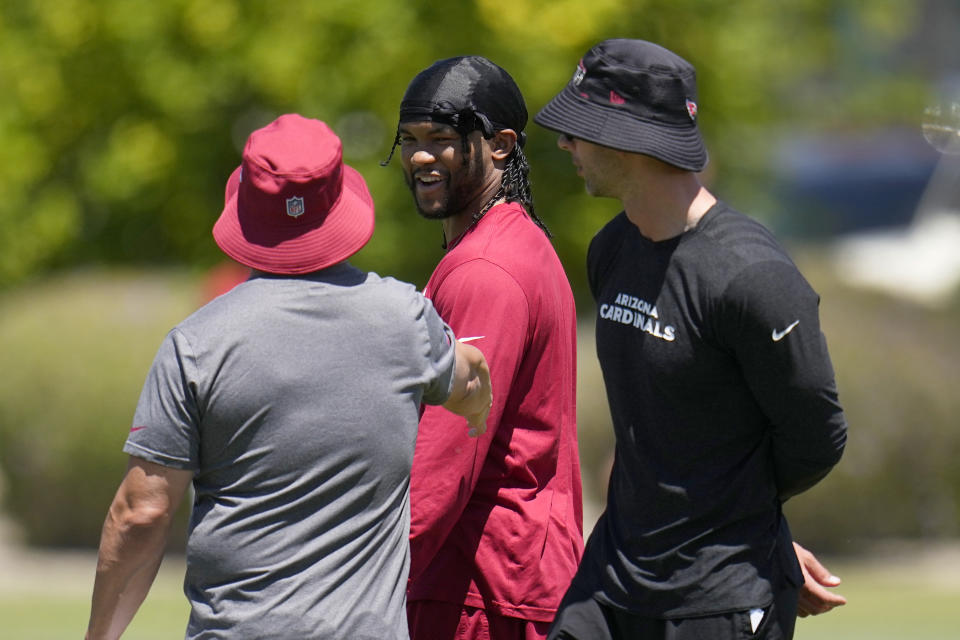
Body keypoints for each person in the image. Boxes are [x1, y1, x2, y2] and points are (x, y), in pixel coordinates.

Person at [85, 113, 492, 640]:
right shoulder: (405, 319)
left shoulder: (196, 345)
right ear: (340, 202)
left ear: (247, 211)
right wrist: (475, 406)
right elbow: (470, 378)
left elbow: (143, 512)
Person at [533, 38, 849, 640]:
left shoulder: (751, 278)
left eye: (580, 128)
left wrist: (747, 521)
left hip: (718, 598)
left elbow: (818, 435)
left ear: (629, 139)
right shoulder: (611, 250)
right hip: (611, 580)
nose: (565, 142)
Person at [381, 57, 584, 639]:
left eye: (442, 140)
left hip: (478, 593)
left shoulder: (485, 270)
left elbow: (441, 465)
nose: (421, 157)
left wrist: (353, 575)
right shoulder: (514, 242)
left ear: (499, 146)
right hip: (504, 581)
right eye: (411, 140)